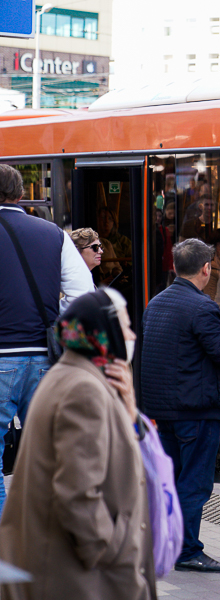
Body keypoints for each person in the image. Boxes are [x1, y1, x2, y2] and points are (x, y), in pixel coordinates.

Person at [0, 288, 156, 600]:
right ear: (103, 332)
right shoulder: (84, 390)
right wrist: (110, 552)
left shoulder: (75, 376)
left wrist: (127, 408)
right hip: (78, 577)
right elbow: (78, 492)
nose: (132, 336)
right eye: (125, 326)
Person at [140, 238, 220, 573]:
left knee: (172, 479)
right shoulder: (202, 307)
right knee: (194, 483)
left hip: (164, 409)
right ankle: (187, 550)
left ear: (176, 266)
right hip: (195, 408)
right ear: (206, 269)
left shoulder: (156, 302)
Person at [0, 164, 93, 518]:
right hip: (43, 356)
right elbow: (84, 293)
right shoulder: (53, 234)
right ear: (22, 195)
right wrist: (54, 311)